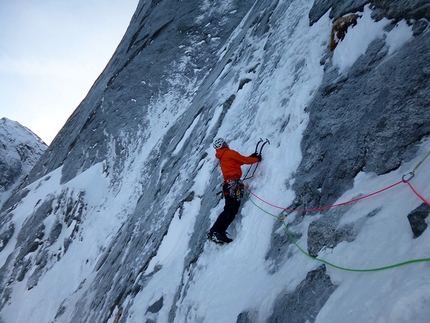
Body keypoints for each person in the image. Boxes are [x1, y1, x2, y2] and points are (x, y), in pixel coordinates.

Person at [208, 137, 262, 243]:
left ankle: (216, 231)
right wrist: (257, 159)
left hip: (228, 185)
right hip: (233, 185)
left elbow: (237, 162)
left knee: (229, 209)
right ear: (224, 144)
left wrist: (251, 157)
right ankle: (217, 232)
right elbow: (244, 160)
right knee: (231, 209)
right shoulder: (229, 153)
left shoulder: (223, 156)